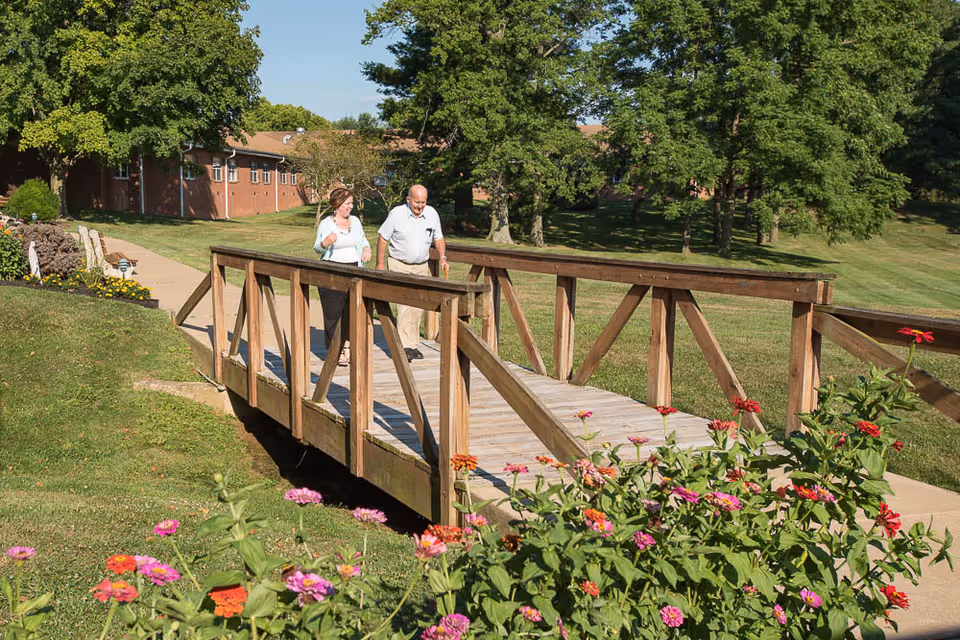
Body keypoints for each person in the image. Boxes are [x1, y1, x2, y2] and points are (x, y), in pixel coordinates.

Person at [376, 184, 448, 362]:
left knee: (418, 305)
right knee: (405, 304)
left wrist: (443, 257)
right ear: (408, 200)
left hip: (421, 265)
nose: (420, 206)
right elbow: (383, 238)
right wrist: (379, 264)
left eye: (423, 202)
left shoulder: (431, 214)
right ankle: (403, 346)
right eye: (417, 202)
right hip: (399, 263)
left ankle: (413, 344)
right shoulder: (397, 214)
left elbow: (438, 238)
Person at [314, 187, 371, 366]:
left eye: (351, 203)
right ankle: (335, 350)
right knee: (333, 313)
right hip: (332, 271)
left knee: (352, 312)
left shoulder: (355, 221)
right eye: (347, 204)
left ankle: (348, 346)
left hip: (354, 270)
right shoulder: (326, 224)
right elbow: (317, 248)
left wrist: (367, 248)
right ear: (337, 205)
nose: (350, 207)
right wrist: (326, 242)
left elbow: (362, 240)